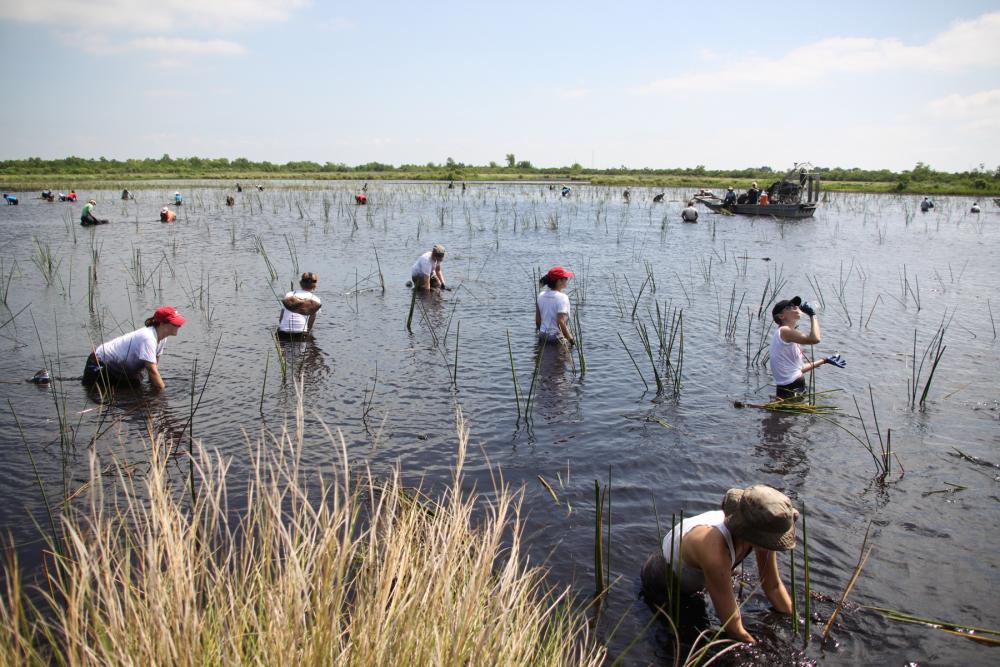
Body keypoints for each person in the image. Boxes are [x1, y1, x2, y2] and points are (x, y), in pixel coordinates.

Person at [641, 485, 797, 644]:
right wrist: (758, 648)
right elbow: (733, 628)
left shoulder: (759, 529)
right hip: (664, 581)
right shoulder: (715, 553)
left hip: (697, 573)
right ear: (756, 534)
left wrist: (795, 622)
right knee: (688, 640)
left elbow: (773, 586)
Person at [82, 306, 186, 391]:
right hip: (99, 364)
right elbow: (151, 369)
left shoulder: (163, 337)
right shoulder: (148, 338)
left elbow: (154, 368)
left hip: (122, 371)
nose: (179, 325)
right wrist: (163, 393)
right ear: (162, 323)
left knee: (133, 393)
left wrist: (154, 387)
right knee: (95, 394)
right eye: (175, 323)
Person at [770, 296, 845, 399]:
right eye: (790, 307)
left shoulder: (785, 335)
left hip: (787, 387)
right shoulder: (784, 331)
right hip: (792, 386)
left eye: (795, 306)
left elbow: (797, 369)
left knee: (784, 414)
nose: (796, 308)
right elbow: (815, 339)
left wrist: (824, 360)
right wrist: (813, 315)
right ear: (781, 316)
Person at [536, 266, 575, 346]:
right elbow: (561, 322)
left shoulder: (541, 295)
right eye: (565, 278)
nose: (567, 280)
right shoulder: (563, 297)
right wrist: (571, 341)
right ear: (559, 281)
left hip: (543, 335)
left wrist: (542, 332)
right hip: (556, 338)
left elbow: (537, 320)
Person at [278, 272, 321, 340]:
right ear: (315, 285)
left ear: (301, 282)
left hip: (283, 332)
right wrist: (308, 332)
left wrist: (281, 327)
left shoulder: (289, 295)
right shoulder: (315, 300)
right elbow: (311, 321)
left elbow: (281, 318)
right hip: (300, 334)